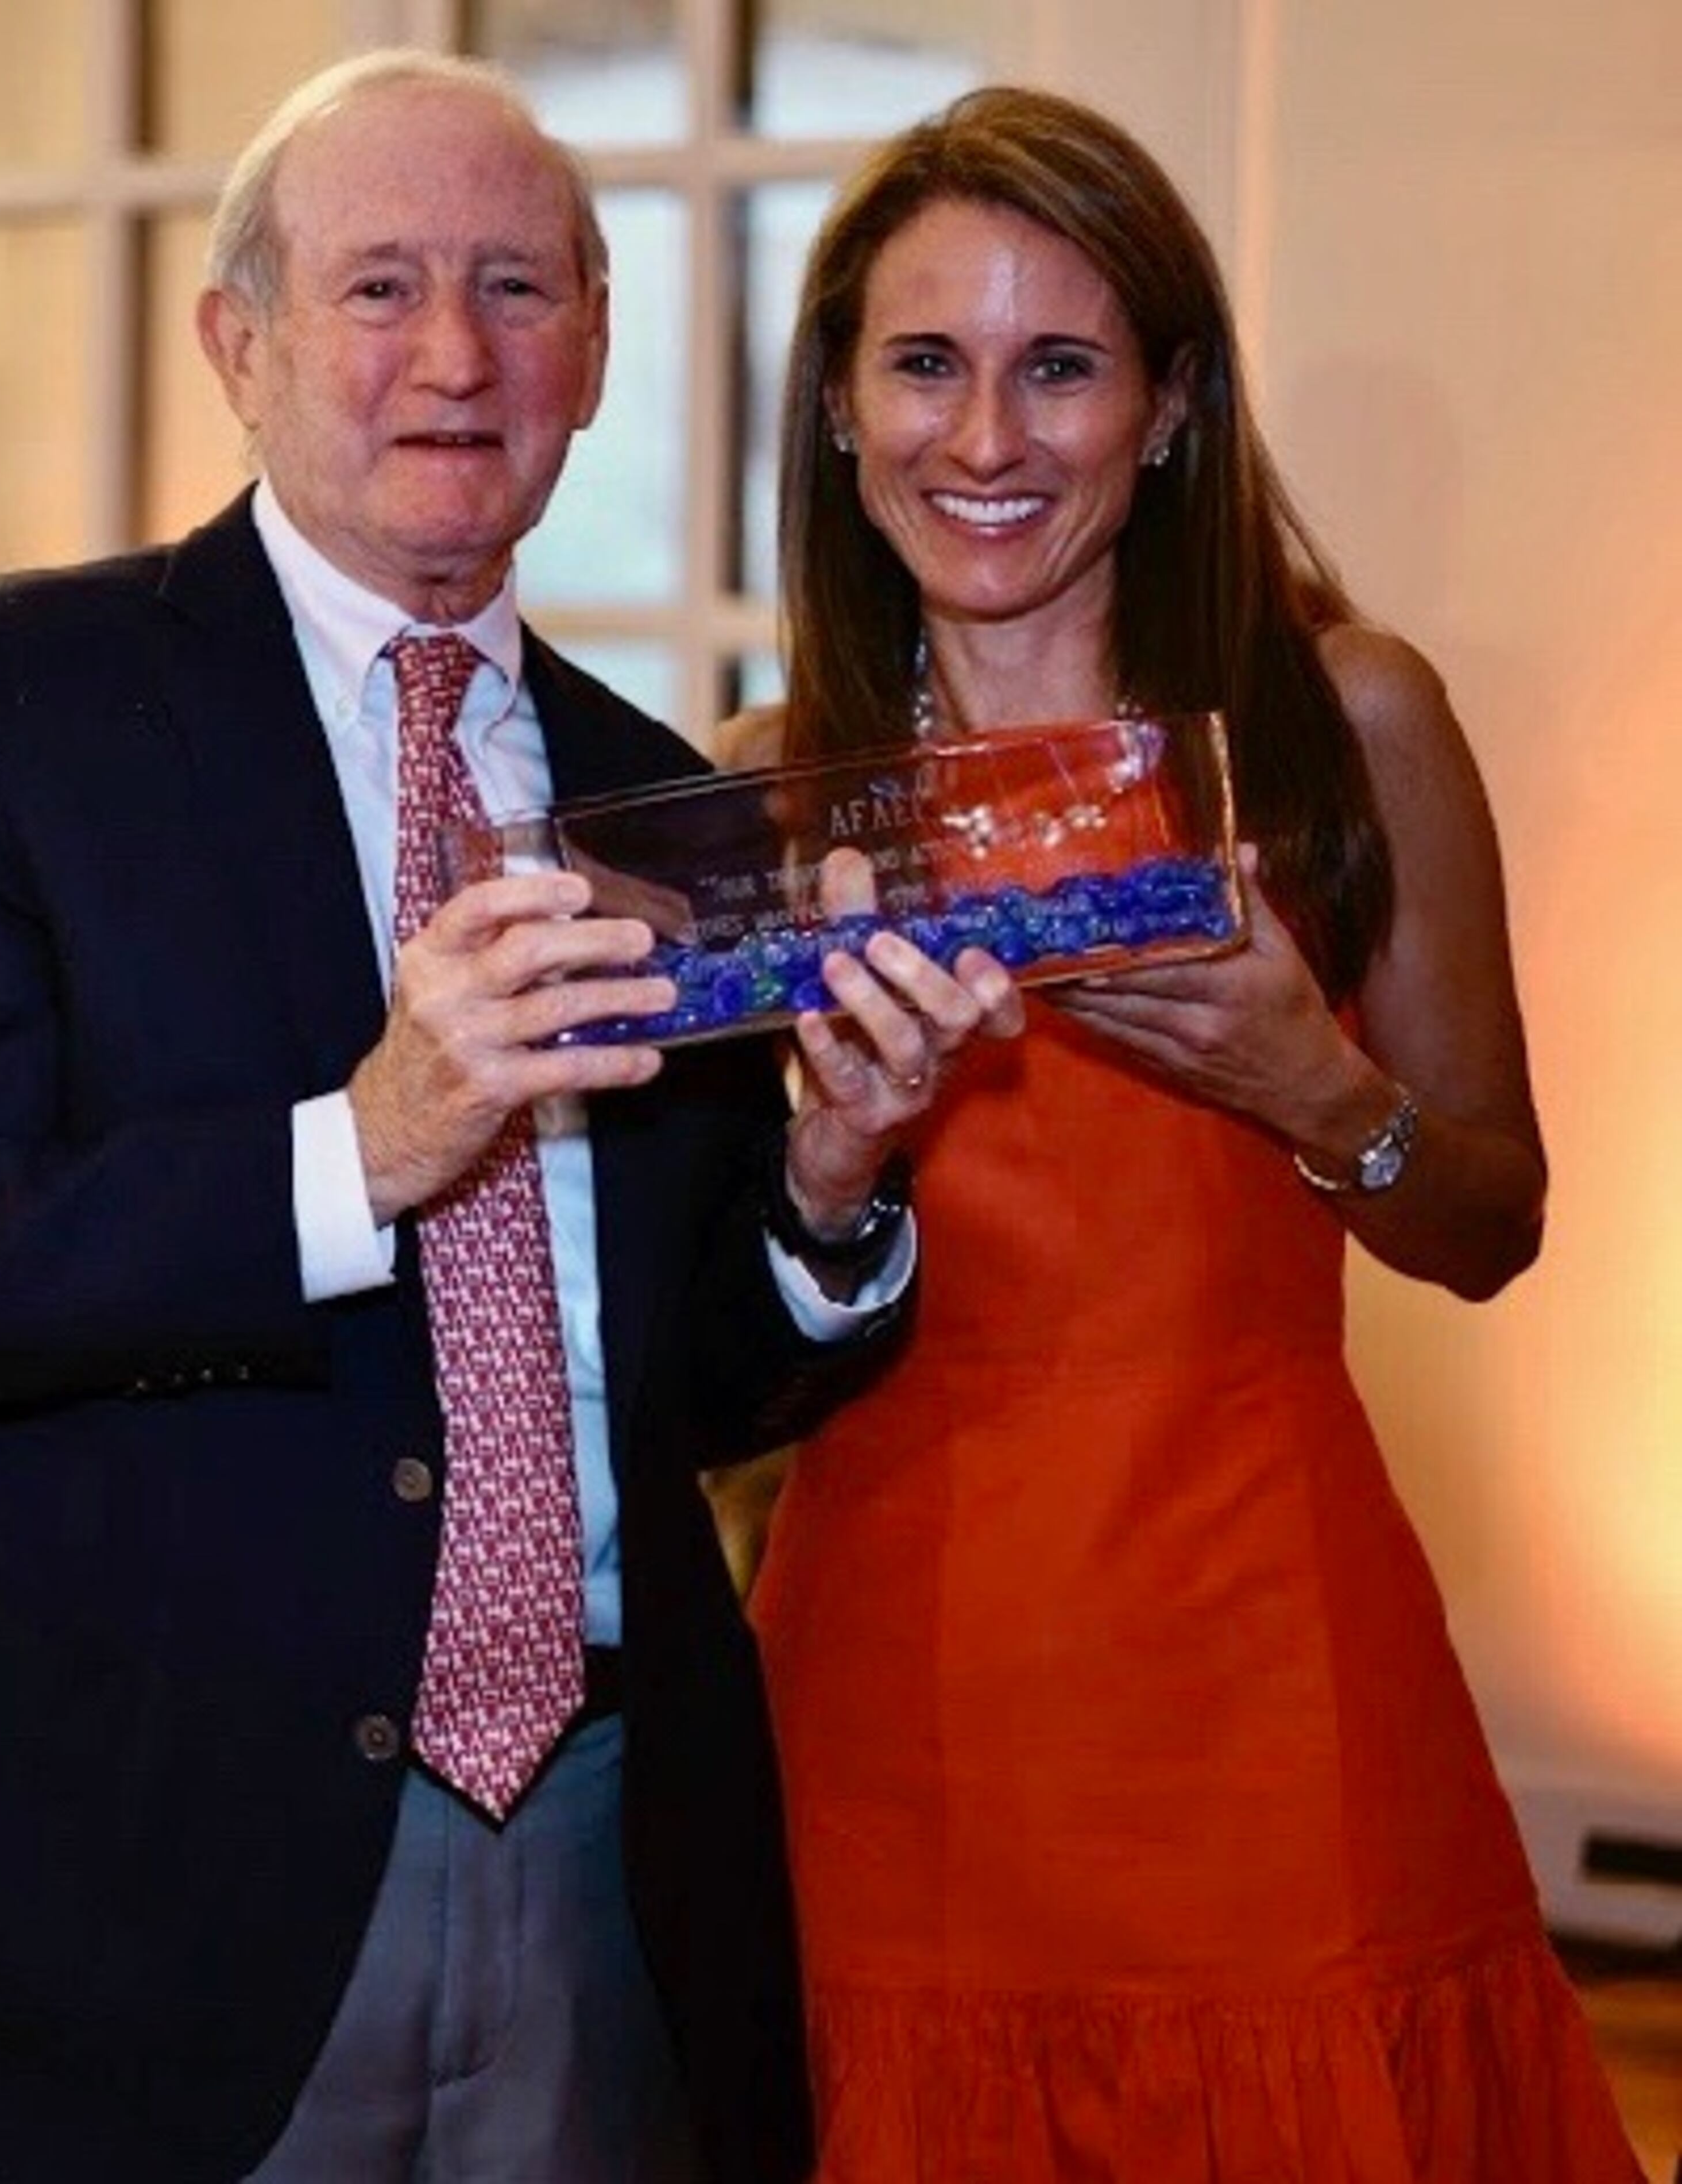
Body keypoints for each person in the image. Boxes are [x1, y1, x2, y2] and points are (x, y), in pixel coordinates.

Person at [0, 51, 1021, 2184]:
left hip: (605, 1868)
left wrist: (829, 1173)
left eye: (520, 287)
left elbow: (669, 1377)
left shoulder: (665, 804)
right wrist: (361, 1144)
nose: (454, 352)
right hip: (136, 1871)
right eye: (379, 287)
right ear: (236, 345)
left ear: (597, 353)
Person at [738, 83, 1644, 2180]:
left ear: (1163, 409)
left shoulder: (1350, 721)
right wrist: (823, 1159)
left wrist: (1309, 1088)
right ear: (843, 412)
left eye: (1059, 363)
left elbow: (1489, 1221)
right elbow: (713, 1324)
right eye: (927, 364)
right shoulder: (765, 801)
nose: (987, 438)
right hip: (891, 1686)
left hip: (1269, 1669)